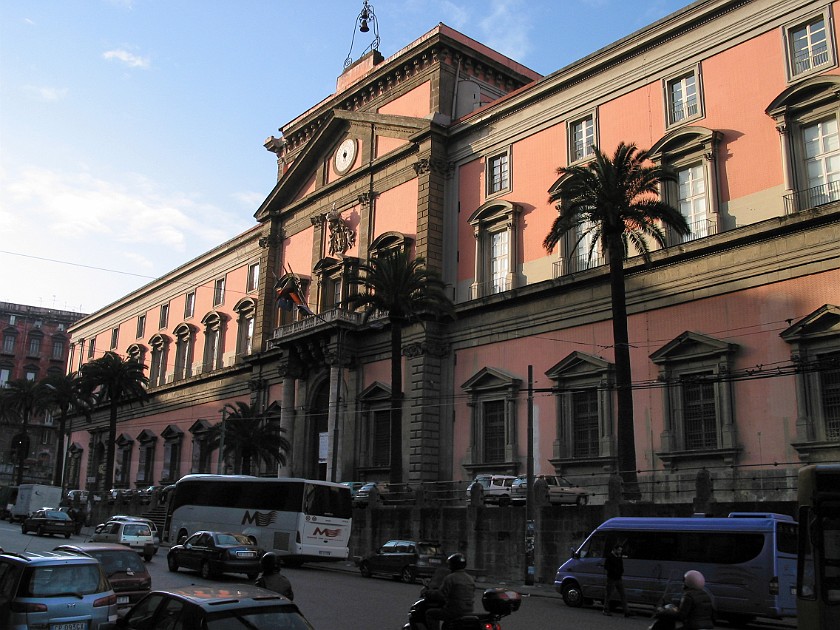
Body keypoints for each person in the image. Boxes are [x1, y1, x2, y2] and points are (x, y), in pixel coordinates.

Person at [425, 553, 475, 630]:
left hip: (454, 611)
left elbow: (441, 595)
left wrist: (428, 592)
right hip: (469, 611)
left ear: (452, 565)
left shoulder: (450, 578)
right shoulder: (470, 578)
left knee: (430, 614)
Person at [602, 542, 629, 616]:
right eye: (619, 550)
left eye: (620, 550)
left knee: (623, 594)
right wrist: (614, 571)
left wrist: (620, 572)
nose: (620, 552)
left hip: (618, 578)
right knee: (609, 595)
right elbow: (606, 567)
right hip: (611, 578)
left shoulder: (619, 557)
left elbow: (621, 566)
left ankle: (626, 611)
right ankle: (605, 609)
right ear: (615, 550)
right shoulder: (610, 557)